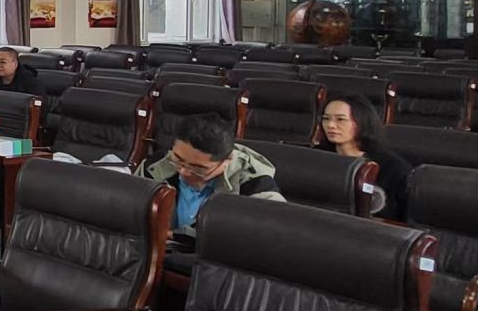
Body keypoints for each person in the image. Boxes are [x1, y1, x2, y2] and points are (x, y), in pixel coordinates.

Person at [141, 115, 284, 239]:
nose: (184, 172)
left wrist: (178, 236)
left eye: (198, 168)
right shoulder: (156, 166)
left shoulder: (254, 183)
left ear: (227, 161)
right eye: (178, 159)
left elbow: (274, 231)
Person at [317, 94, 413, 220]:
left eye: (340, 119)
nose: (330, 125)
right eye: (326, 118)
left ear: (361, 122)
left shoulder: (393, 168)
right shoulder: (318, 157)